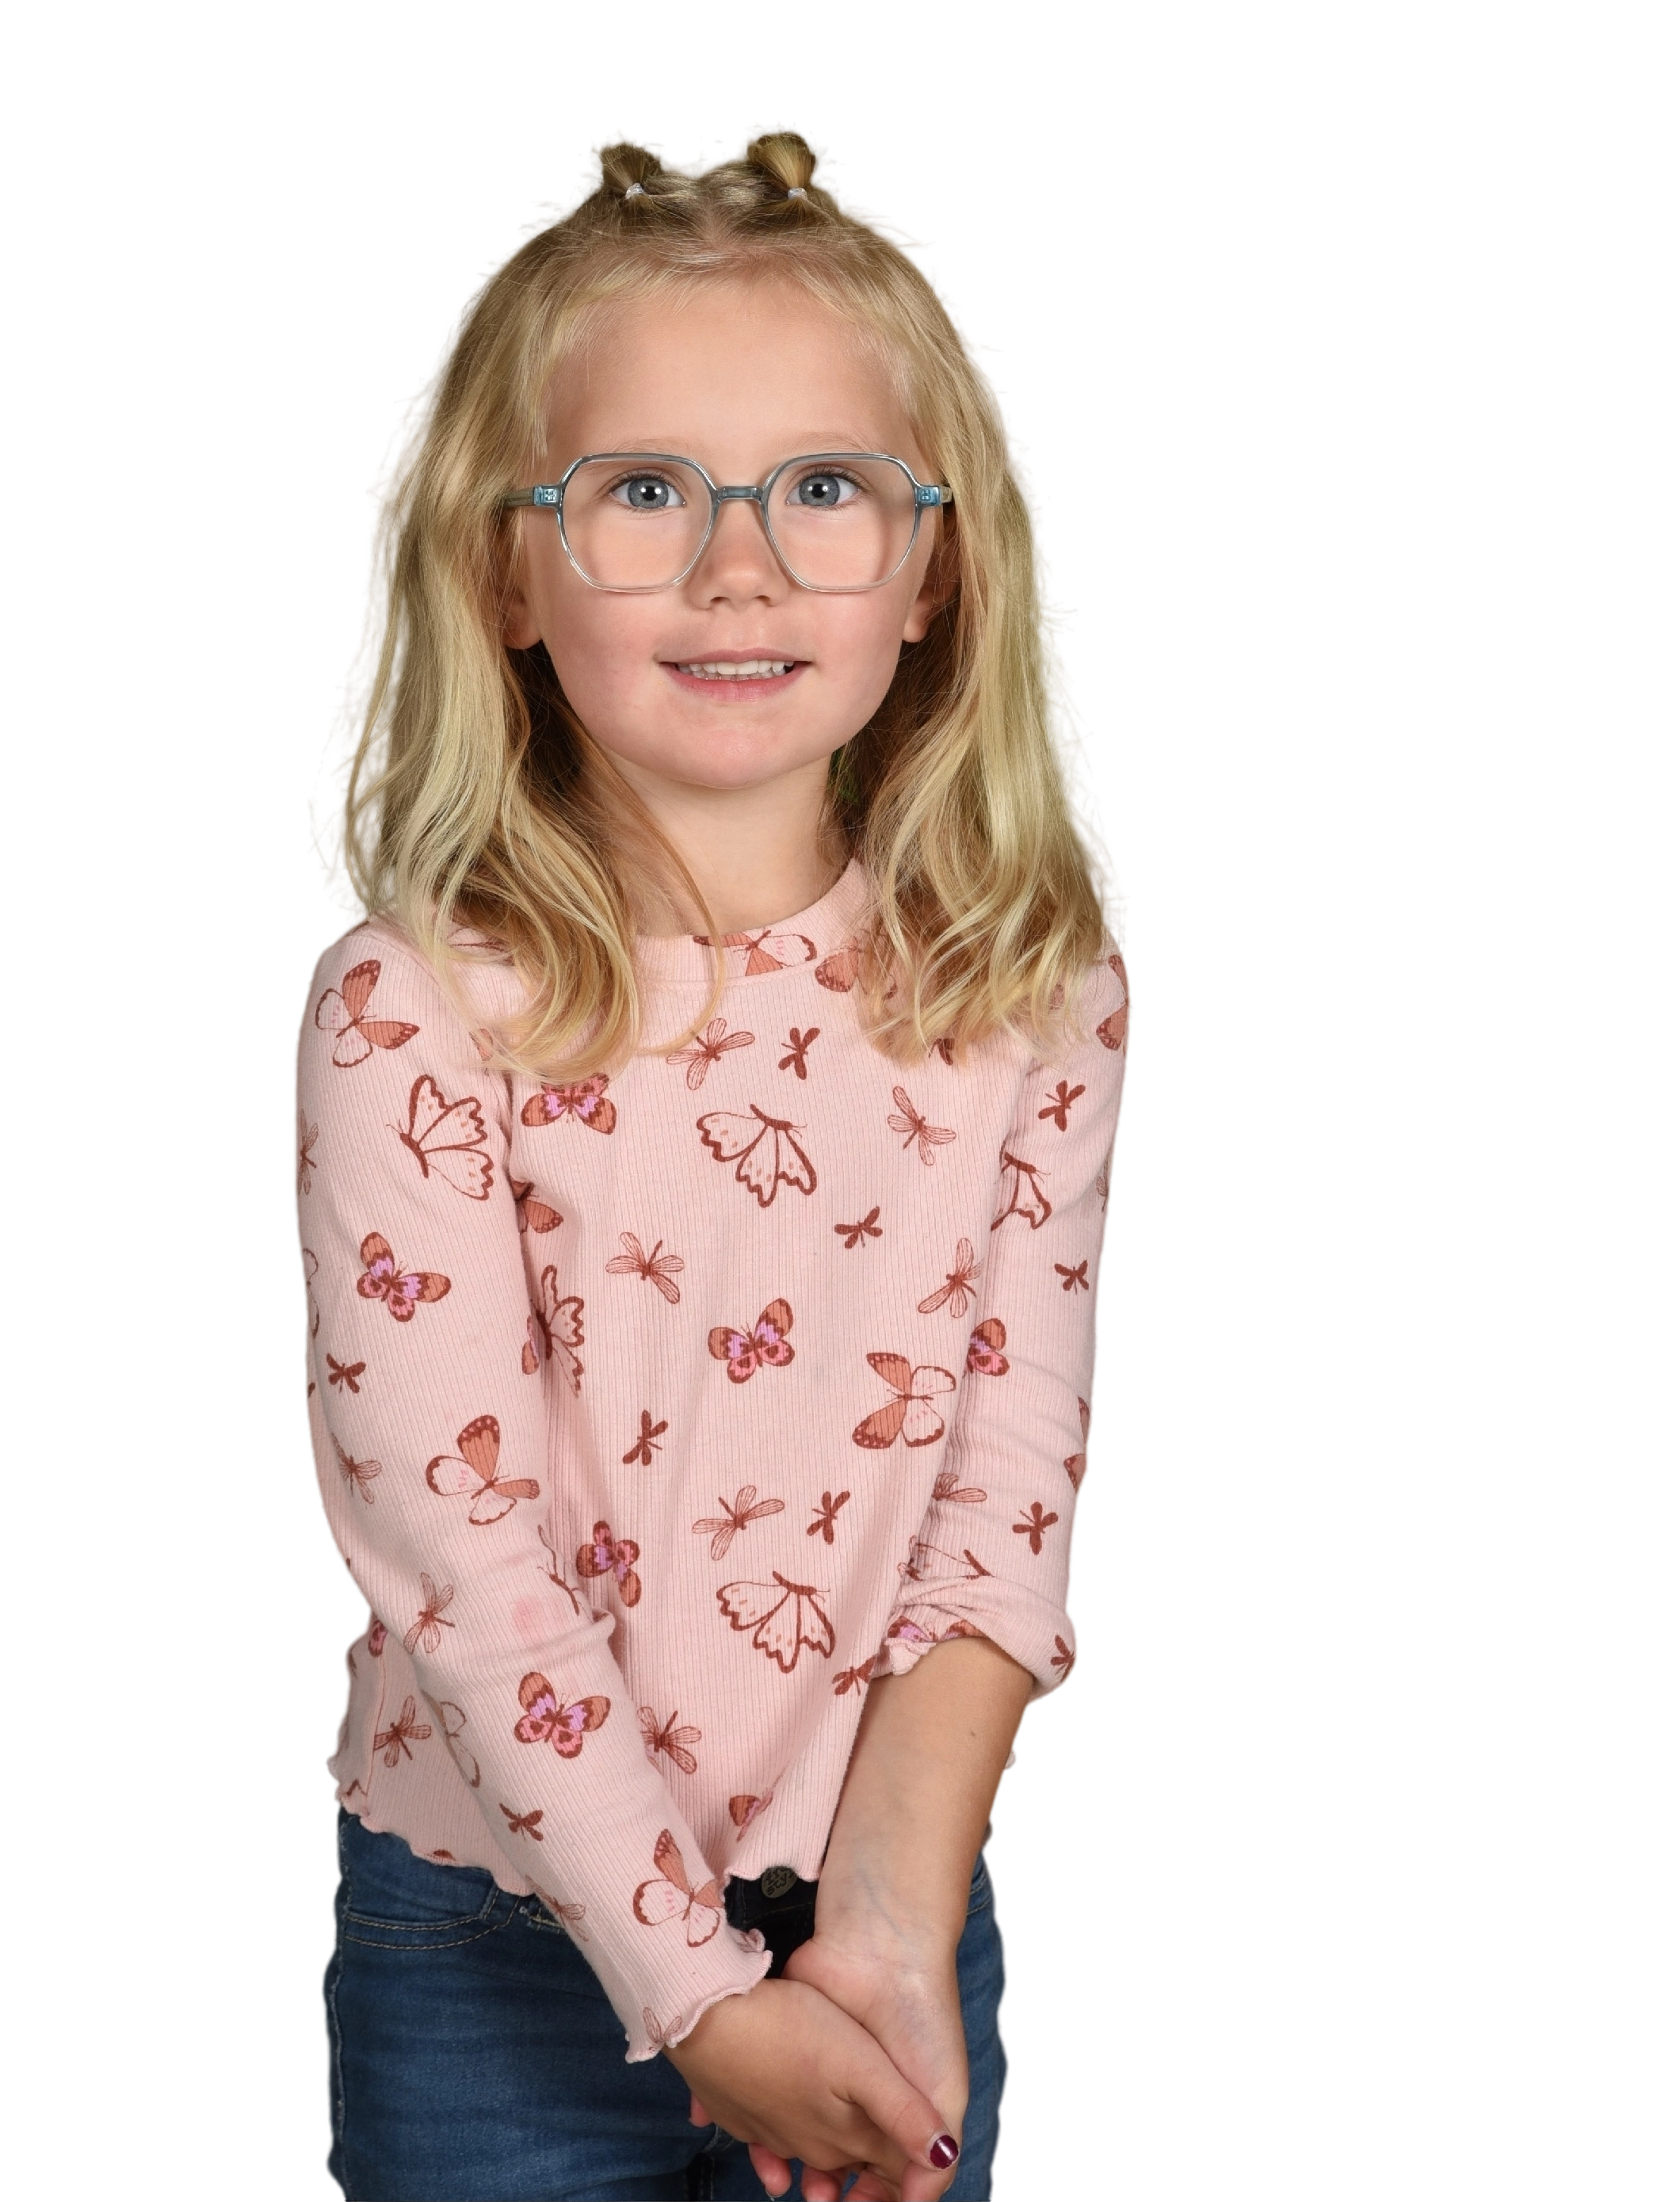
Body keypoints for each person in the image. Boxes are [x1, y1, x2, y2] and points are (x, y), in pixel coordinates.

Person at [295, 120, 1133, 2202]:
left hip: (883, 1922)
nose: (740, 566)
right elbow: (457, 1562)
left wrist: (887, 1928)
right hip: (493, 1957)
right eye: (647, 489)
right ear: (508, 568)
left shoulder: (1032, 983)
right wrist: (698, 1999)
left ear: (934, 568)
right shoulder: (414, 1015)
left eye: (825, 488)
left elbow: (1005, 1499)